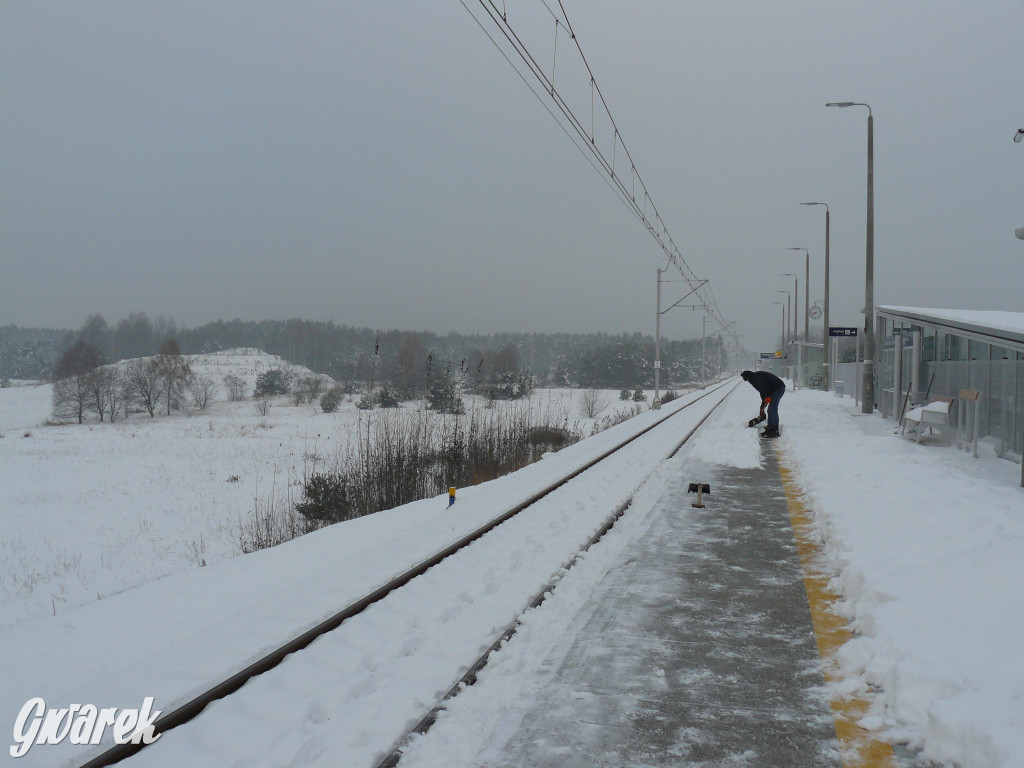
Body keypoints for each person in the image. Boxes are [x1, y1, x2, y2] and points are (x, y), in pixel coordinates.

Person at [741, 370, 785, 438]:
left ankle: (774, 429)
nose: (748, 381)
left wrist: (767, 397)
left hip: (778, 388)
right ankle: (771, 427)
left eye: (747, 379)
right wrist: (762, 407)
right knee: (770, 409)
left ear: (749, 377)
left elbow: (765, 387)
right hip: (774, 389)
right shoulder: (755, 378)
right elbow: (762, 392)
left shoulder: (756, 378)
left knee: (772, 408)